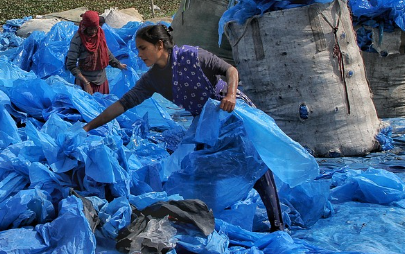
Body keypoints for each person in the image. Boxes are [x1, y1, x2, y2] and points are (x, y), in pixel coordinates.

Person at [83, 24, 286, 232]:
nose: (139, 54)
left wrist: (231, 94)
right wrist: (89, 126)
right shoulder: (153, 79)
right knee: (202, 169)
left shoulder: (192, 56)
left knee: (255, 164)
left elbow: (230, 70)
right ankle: (205, 220)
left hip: (232, 114)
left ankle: (277, 225)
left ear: (159, 45)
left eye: (143, 48)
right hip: (206, 123)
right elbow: (123, 104)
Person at [65, 10, 126, 94]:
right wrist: (86, 83)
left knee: (102, 106)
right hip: (85, 83)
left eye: (95, 28)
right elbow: (70, 64)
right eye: (90, 29)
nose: (93, 31)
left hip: (101, 81)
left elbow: (106, 52)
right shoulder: (78, 39)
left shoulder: (99, 34)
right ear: (85, 27)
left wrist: (118, 64)